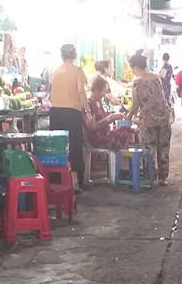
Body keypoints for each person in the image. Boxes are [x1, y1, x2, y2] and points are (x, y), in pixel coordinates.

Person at [126, 50, 172, 185]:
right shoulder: (156, 77)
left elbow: (135, 105)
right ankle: (163, 178)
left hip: (148, 121)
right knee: (163, 148)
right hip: (163, 117)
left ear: (134, 67)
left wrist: (128, 116)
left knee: (148, 149)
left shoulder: (137, 82)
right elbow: (161, 97)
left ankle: (150, 177)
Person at [48, 43, 89, 187]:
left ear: (61, 56)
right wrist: (88, 110)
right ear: (75, 55)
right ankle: (75, 182)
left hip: (55, 112)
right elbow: (81, 91)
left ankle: (57, 182)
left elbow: (50, 91)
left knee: (57, 147)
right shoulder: (77, 71)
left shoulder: (56, 71)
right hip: (72, 112)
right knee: (74, 145)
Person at [84, 76, 133, 151]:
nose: (104, 94)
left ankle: (121, 158)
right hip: (96, 138)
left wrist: (113, 118)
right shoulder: (89, 104)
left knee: (127, 130)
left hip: (105, 134)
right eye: (103, 91)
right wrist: (110, 118)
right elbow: (92, 127)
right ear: (96, 90)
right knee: (124, 132)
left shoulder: (99, 102)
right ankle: (121, 159)